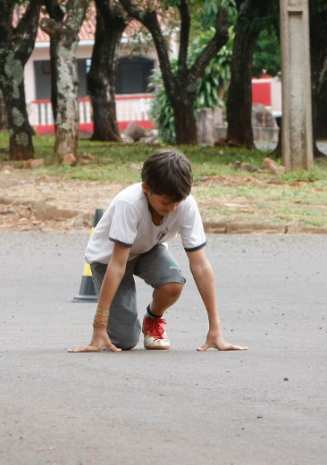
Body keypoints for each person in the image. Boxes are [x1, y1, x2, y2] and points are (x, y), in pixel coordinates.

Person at [68, 149, 247, 353]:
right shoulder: (129, 204)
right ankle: (117, 327)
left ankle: (152, 320)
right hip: (109, 259)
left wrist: (216, 329)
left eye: (177, 202)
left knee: (173, 282)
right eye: (165, 202)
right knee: (124, 341)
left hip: (148, 249)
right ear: (146, 188)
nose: (172, 209)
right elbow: (117, 265)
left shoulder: (186, 205)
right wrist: (98, 328)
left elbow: (200, 266)